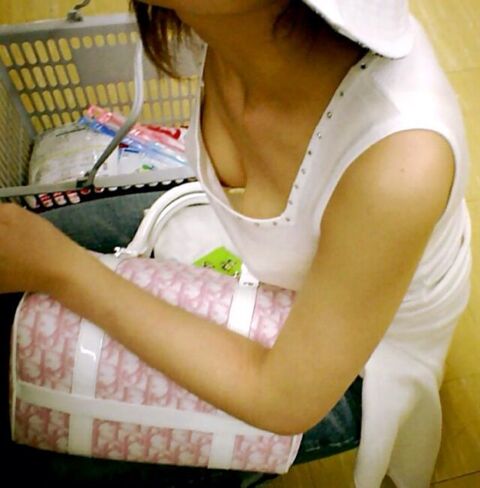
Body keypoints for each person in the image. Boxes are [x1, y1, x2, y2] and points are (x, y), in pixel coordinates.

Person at [0, 1, 471, 486]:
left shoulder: (401, 163)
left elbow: (284, 399)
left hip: (358, 361)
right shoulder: (224, 30)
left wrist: (66, 270)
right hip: (269, 261)